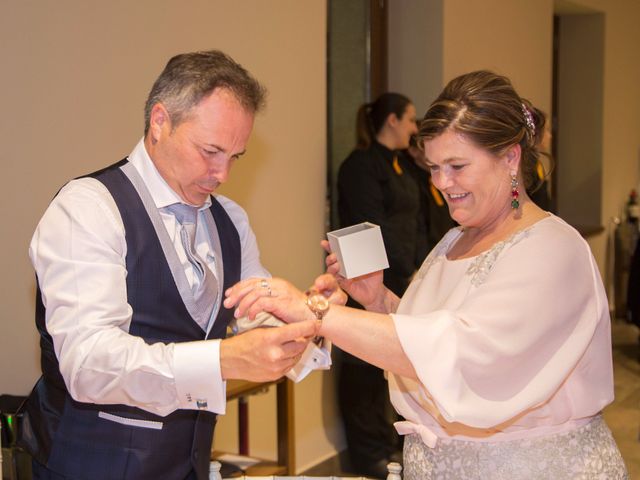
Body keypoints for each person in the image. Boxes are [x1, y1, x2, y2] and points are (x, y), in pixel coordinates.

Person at [225, 70, 628, 479]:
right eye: (434, 167)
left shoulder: (553, 249)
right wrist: (377, 299)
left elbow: (465, 352)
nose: (441, 183)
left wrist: (315, 313)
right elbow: (425, 339)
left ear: (510, 157)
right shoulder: (453, 241)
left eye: (456, 165)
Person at [19, 50, 317, 480]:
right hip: (88, 465)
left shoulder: (229, 219)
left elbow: (255, 321)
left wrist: (310, 316)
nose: (222, 174)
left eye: (236, 156)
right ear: (160, 121)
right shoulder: (88, 209)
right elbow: (88, 363)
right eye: (211, 151)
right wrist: (221, 360)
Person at [335, 93, 423, 477]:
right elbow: (371, 225)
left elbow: (414, 222)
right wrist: (394, 272)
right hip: (367, 280)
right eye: (410, 120)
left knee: (395, 368)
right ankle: (368, 453)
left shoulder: (400, 165)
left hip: (404, 278)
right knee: (365, 370)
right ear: (391, 120)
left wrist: (420, 269)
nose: (414, 128)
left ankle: (389, 443)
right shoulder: (360, 166)